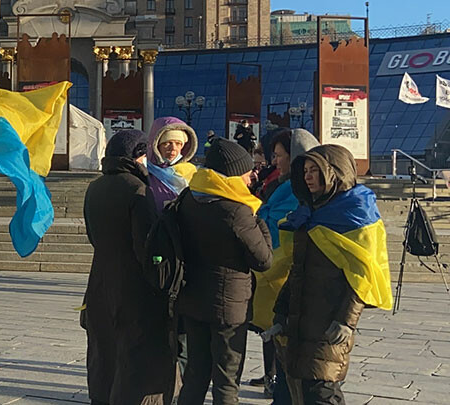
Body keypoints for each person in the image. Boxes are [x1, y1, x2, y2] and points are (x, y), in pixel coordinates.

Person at [261, 144, 392, 404]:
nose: (308, 176)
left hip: (327, 322)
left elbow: (363, 275)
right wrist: (281, 314)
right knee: (291, 391)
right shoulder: (308, 213)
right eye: (306, 171)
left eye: (315, 171)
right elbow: (297, 270)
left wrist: (346, 321)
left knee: (322, 390)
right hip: (298, 319)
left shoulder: (356, 215)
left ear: (335, 172)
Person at [175, 138, 273, 405]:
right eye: (247, 171)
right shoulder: (238, 211)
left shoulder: (189, 198)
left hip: (193, 300)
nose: (252, 175)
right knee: (226, 380)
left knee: (195, 374)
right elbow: (263, 260)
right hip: (229, 310)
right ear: (232, 174)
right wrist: (259, 221)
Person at [82, 130, 178, 404]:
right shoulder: (137, 190)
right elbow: (144, 246)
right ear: (137, 156)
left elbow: (92, 235)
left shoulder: (94, 188)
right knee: (133, 354)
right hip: (133, 285)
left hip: (100, 280)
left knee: (104, 351)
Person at [247, 128, 319, 401]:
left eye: (279, 155)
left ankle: (275, 378)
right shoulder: (283, 183)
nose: (275, 161)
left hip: (281, 269)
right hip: (275, 266)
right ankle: (274, 378)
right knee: (274, 331)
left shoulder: (296, 189)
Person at [146, 116, 199, 212]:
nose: (173, 148)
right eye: (167, 143)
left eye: (178, 143)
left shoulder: (192, 173)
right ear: (156, 145)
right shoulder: (145, 173)